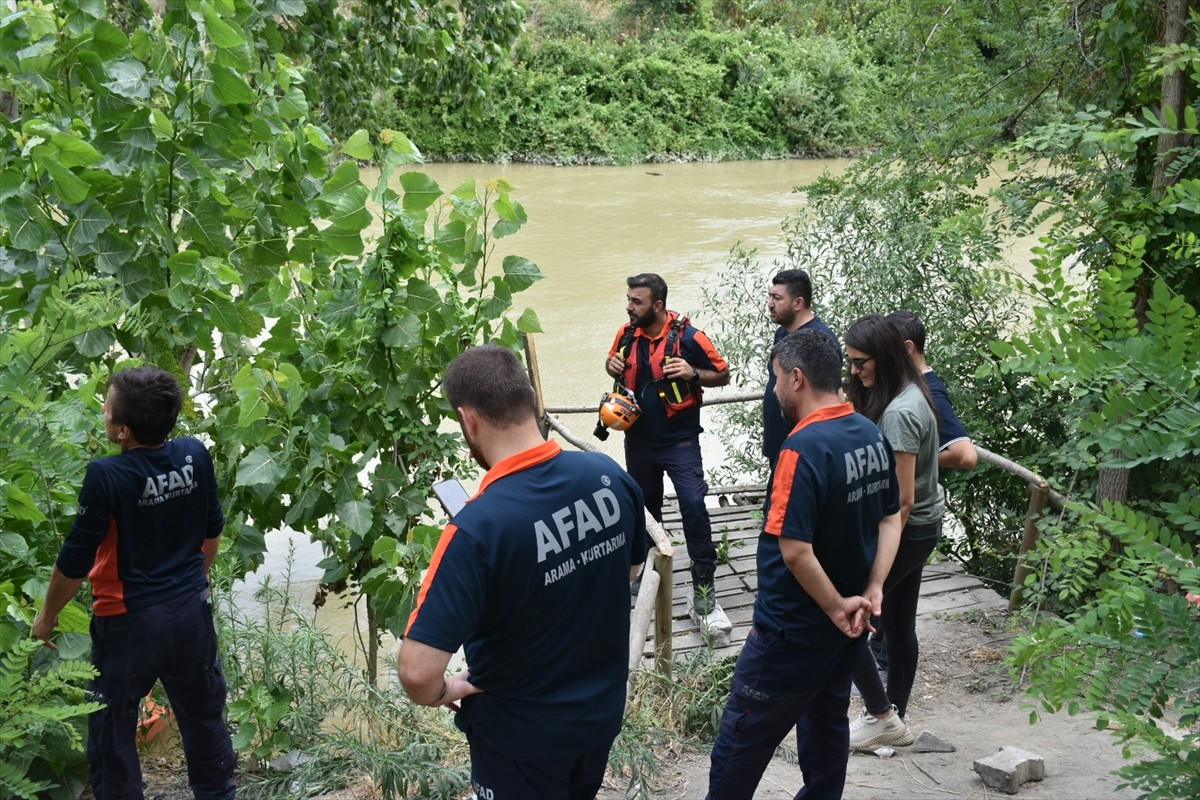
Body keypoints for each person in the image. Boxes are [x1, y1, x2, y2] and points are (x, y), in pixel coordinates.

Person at [398, 344, 647, 800]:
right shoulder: (608, 475)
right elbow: (629, 570)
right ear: (530, 399)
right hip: (600, 716)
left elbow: (417, 673)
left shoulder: (476, 530)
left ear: (468, 420)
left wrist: (447, 687)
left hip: (520, 740)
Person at [706, 329, 901, 800]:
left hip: (791, 631)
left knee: (741, 741)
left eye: (775, 379)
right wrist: (874, 589)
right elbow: (892, 517)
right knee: (827, 721)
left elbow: (794, 550)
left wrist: (836, 606)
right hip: (852, 624)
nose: (774, 391)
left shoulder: (800, 449)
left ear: (796, 378)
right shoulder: (869, 433)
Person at [32, 366, 236, 800]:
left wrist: (47, 616)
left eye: (106, 407)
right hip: (189, 613)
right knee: (204, 719)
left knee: (112, 733)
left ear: (122, 430)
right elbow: (211, 533)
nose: (102, 411)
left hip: (127, 623)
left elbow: (74, 561)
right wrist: (193, 584)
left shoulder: (107, 476)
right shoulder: (194, 454)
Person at [604, 273, 730, 628]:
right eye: (628, 299)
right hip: (638, 441)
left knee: (693, 507)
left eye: (636, 302)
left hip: (681, 442)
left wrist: (692, 373)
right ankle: (644, 577)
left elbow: (723, 374)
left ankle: (704, 591)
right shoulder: (626, 335)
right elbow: (614, 365)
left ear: (657, 306)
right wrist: (610, 365)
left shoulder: (690, 337)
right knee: (644, 512)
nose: (629, 307)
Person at [843, 314, 946, 752]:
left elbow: (900, 500)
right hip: (924, 525)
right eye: (849, 361)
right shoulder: (905, 391)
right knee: (899, 627)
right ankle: (891, 718)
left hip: (910, 528)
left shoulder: (901, 413)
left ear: (884, 358)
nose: (853, 371)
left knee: (848, 620)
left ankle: (880, 713)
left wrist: (877, 574)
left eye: (860, 362)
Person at [762, 269, 839, 468]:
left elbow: (829, 398)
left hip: (804, 447)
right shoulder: (782, 333)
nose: (770, 304)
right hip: (780, 441)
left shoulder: (820, 341)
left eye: (777, 298)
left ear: (798, 303)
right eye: (770, 296)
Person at [885, 310, 978, 470]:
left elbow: (966, 456)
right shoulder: (910, 383)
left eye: (886, 347)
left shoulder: (930, 392)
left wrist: (908, 456)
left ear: (908, 347)